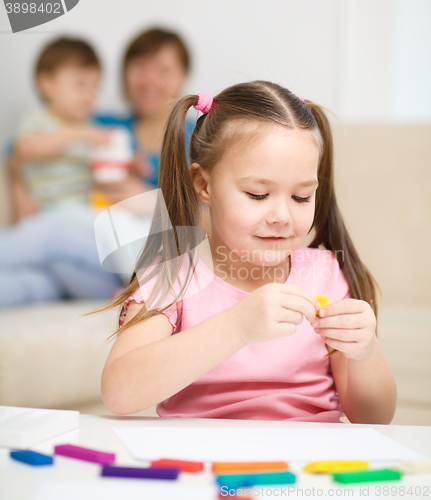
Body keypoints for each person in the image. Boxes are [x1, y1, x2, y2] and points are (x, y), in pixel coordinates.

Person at [99, 81, 397, 424]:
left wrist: (366, 352)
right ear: (205, 186)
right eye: (257, 194)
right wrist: (238, 325)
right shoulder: (172, 276)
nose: (282, 216)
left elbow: (374, 419)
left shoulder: (327, 276)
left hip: (307, 465)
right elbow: (118, 393)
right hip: (203, 464)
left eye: (301, 197)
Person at [0, 37, 123, 307]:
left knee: (95, 230)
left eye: (95, 88)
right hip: (53, 214)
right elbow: (24, 148)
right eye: (80, 85)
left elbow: (101, 179)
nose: (89, 95)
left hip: (76, 220)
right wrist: (76, 134)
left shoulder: (90, 129)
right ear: (47, 84)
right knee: (31, 285)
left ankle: (126, 278)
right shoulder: (39, 121)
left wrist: (124, 165)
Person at [94, 27, 195, 204]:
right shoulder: (99, 127)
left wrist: (153, 202)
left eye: (163, 71)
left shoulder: (202, 138)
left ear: (183, 76)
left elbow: (216, 217)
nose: (149, 80)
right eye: (140, 67)